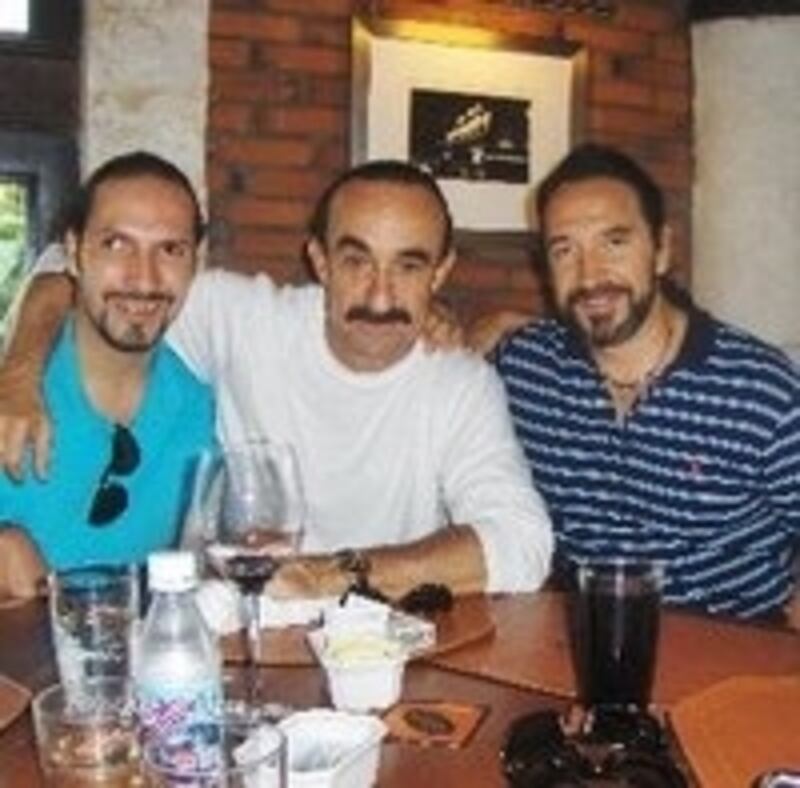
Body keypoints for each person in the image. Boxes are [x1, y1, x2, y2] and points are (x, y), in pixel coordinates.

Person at [0, 160, 553, 601]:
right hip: (240, 635)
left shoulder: (460, 384)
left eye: (408, 266)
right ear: (320, 260)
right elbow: (70, 274)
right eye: (356, 260)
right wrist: (19, 371)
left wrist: (328, 574)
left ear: (441, 271)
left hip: (387, 651)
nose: (381, 296)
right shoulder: (239, 320)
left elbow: (522, 543)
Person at [488, 143, 800, 621]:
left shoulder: (760, 391)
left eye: (614, 243)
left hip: (731, 643)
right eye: (565, 250)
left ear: (661, 250)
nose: (590, 275)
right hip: (580, 641)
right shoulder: (526, 367)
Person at [0, 152, 214, 598]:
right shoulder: (13, 390)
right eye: (117, 244)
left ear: (195, 263)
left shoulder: (198, 413)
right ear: (73, 253)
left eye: (170, 250)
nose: (144, 279)